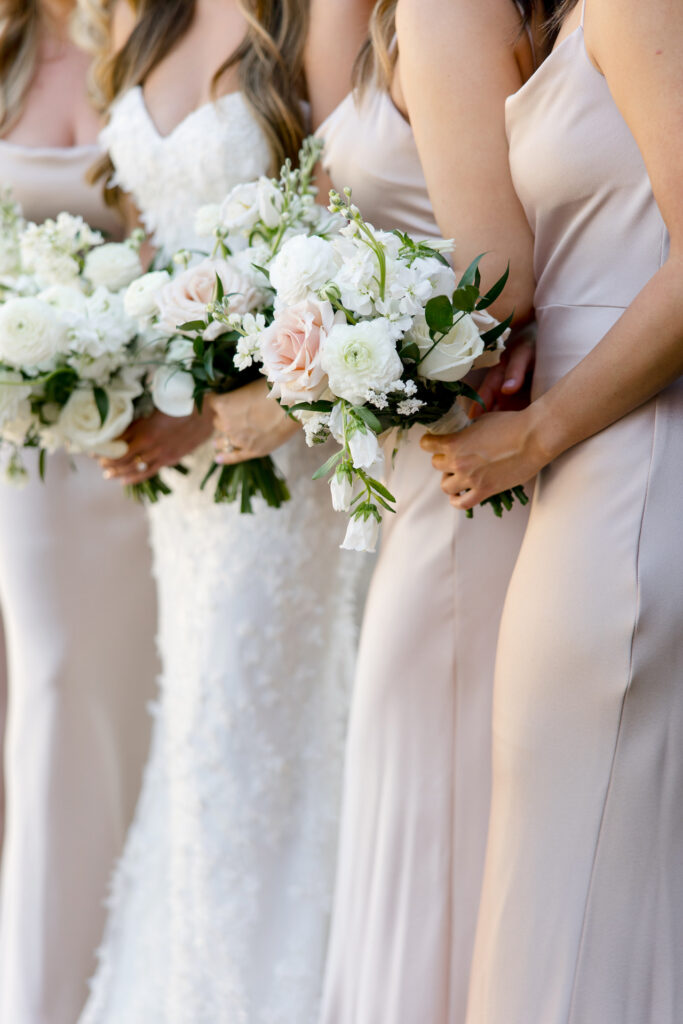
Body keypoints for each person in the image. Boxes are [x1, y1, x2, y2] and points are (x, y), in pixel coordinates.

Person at [75, 2, 372, 1020]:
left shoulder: (315, 18)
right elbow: (136, 228)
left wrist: (215, 411)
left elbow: (355, 234)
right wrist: (105, 364)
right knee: (195, 727)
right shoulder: (136, 19)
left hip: (273, 446)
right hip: (177, 471)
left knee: (245, 731)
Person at [423, 1, 683, 1021]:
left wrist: (537, 432)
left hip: (624, 462)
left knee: (568, 874)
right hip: (590, 455)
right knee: (571, 867)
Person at [311, 1, 560, 1020]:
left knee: (435, 801)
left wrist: (331, 352)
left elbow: (498, 279)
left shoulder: (446, 7)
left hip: (461, 480)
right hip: (427, 473)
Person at [0, 3, 158, 1023]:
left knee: (157, 695)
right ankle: (46, 992)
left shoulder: (147, 37)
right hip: (28, 457)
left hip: (150, 444)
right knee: (56, 684)